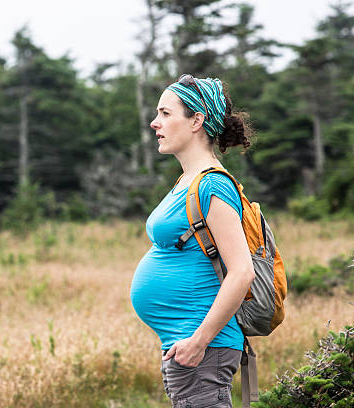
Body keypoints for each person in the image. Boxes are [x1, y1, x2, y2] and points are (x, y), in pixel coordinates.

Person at [130, 74, 256, 408]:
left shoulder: (212, 186)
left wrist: (198, 342)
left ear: (196, 120)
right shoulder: (188, 181)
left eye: (166, 114)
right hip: (187, 348)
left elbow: (242, 272)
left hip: (202, 349)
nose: (155, 123)